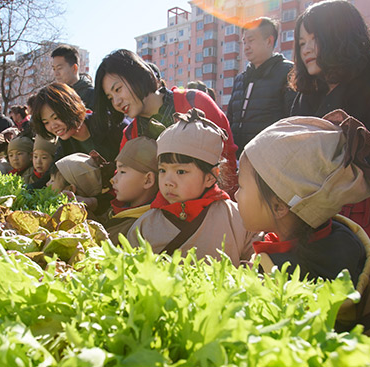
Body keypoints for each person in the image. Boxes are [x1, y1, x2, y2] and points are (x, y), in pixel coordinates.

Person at [235, 112, 370, 290]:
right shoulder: (345, 240)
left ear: (279, 207)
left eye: (241, 186)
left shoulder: (282, 277)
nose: (235, 195)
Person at [290, 0, 370, 244]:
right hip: (314, 215)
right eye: (301, 43)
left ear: (340, 35)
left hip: (369, 215)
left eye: (315, 39)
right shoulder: (307, 92)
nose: (306, 50)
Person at [94, 49, 238, 193]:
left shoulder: (195, 102)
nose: (117, 102)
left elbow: (227, 161)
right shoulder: (131, 135)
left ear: (137, 75)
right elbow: (124, 184)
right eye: (110, 98)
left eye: (118, 89)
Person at [127, 109, 255, 265]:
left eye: (181, 171)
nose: (168, 181)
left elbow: (258, 264)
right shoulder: (145, 225)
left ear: (210, 177)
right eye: (162, 170)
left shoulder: (239, 219)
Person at [227, 17, 296, 158]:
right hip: (238, 157)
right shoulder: (241, 78)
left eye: (251, 41)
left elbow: (294, 120)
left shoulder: (288, 72)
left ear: (269, 41)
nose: (246, 47)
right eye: (244, 42)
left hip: (270, 159)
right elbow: (230, 119)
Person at [31, 83, 125, 163]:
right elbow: (53, 172)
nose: (53, 126)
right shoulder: (65, 144)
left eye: (56, 117)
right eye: (46, 122)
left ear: (71, 108)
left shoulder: (109, 123)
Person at [105, 137, 159, 244]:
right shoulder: (121, 208)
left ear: (148, 180)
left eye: (122, 172)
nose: (113, 180)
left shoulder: (141, 229)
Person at [51, 45, 95, 109]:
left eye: (59, 68)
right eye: (54, 69)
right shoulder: (54, 98)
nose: (56, 73)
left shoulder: (92, 96)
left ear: (74, 68)